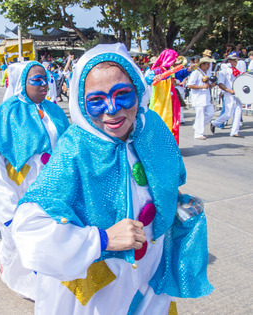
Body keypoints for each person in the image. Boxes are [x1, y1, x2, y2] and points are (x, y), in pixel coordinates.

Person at [12, 43, 212, 314]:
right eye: (96, 100)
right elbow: (29, 229)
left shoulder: (151, 127)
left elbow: (166, 180)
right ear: (82, 103)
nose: (112, 109)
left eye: (123, 94)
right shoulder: (76, 148)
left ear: (138, 91)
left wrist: (174, 204)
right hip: (101, 287)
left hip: (152, 276)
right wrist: (102, 240)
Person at [0, 61, 70, 300]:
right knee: (25, 236)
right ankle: (26, 283)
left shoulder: (54, 110)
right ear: (21, 82)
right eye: (36, 80)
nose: (44, 85)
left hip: (55, 190)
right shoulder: (5, 114)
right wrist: (7, 203)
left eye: (46, 79)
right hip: (24, 188)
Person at [146, 49, 194, 144]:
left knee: (171, 123)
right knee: (160, 123)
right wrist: (154, 78)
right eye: (173, 58)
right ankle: (158, 146)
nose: (174, 61)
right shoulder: (158, 70)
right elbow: (147, 79)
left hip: (170, 101)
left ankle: (169, 145)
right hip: (160, 102)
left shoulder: (169, 70)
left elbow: (179, 75)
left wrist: (188, 70)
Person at [210, 53, 243, 137]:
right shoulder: (223, 71)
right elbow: (220, 84)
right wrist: (228, 90)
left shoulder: (238, 71)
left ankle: (234, 132)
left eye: (236, 60)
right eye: (234, 60)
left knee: (238, 112)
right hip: (229, 93)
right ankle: (214, 123)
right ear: (229, 61)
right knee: (228, 114)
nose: (236, 62)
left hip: (238, 93)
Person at [188, 56, 217, 140]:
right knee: (200, 115)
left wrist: (212, 85)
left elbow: (209, 85)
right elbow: (190, 85)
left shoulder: (207, 73)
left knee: (211, 113)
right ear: (202, 64)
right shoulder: (196, 73)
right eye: (207, 64)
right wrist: (202, 87)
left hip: (206, 97)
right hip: (198, 97)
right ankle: (198, 133)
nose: (208, 66)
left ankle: (197, 126)